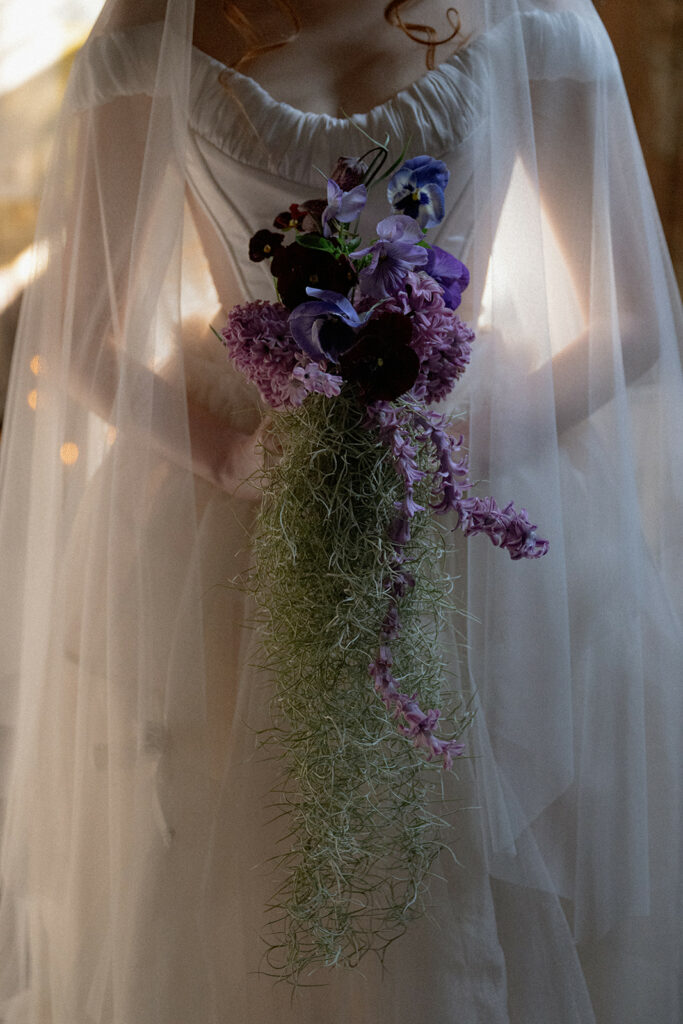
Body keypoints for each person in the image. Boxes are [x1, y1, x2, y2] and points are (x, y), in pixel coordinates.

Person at [0, 0, 681, 1020]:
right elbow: (81, 334)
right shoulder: (153, 30)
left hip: (467, 490)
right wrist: (227, 455)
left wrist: (454, 448)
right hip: (246, 510)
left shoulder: (533, 19)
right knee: (243, 864)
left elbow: (632, 317)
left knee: (473, 856)